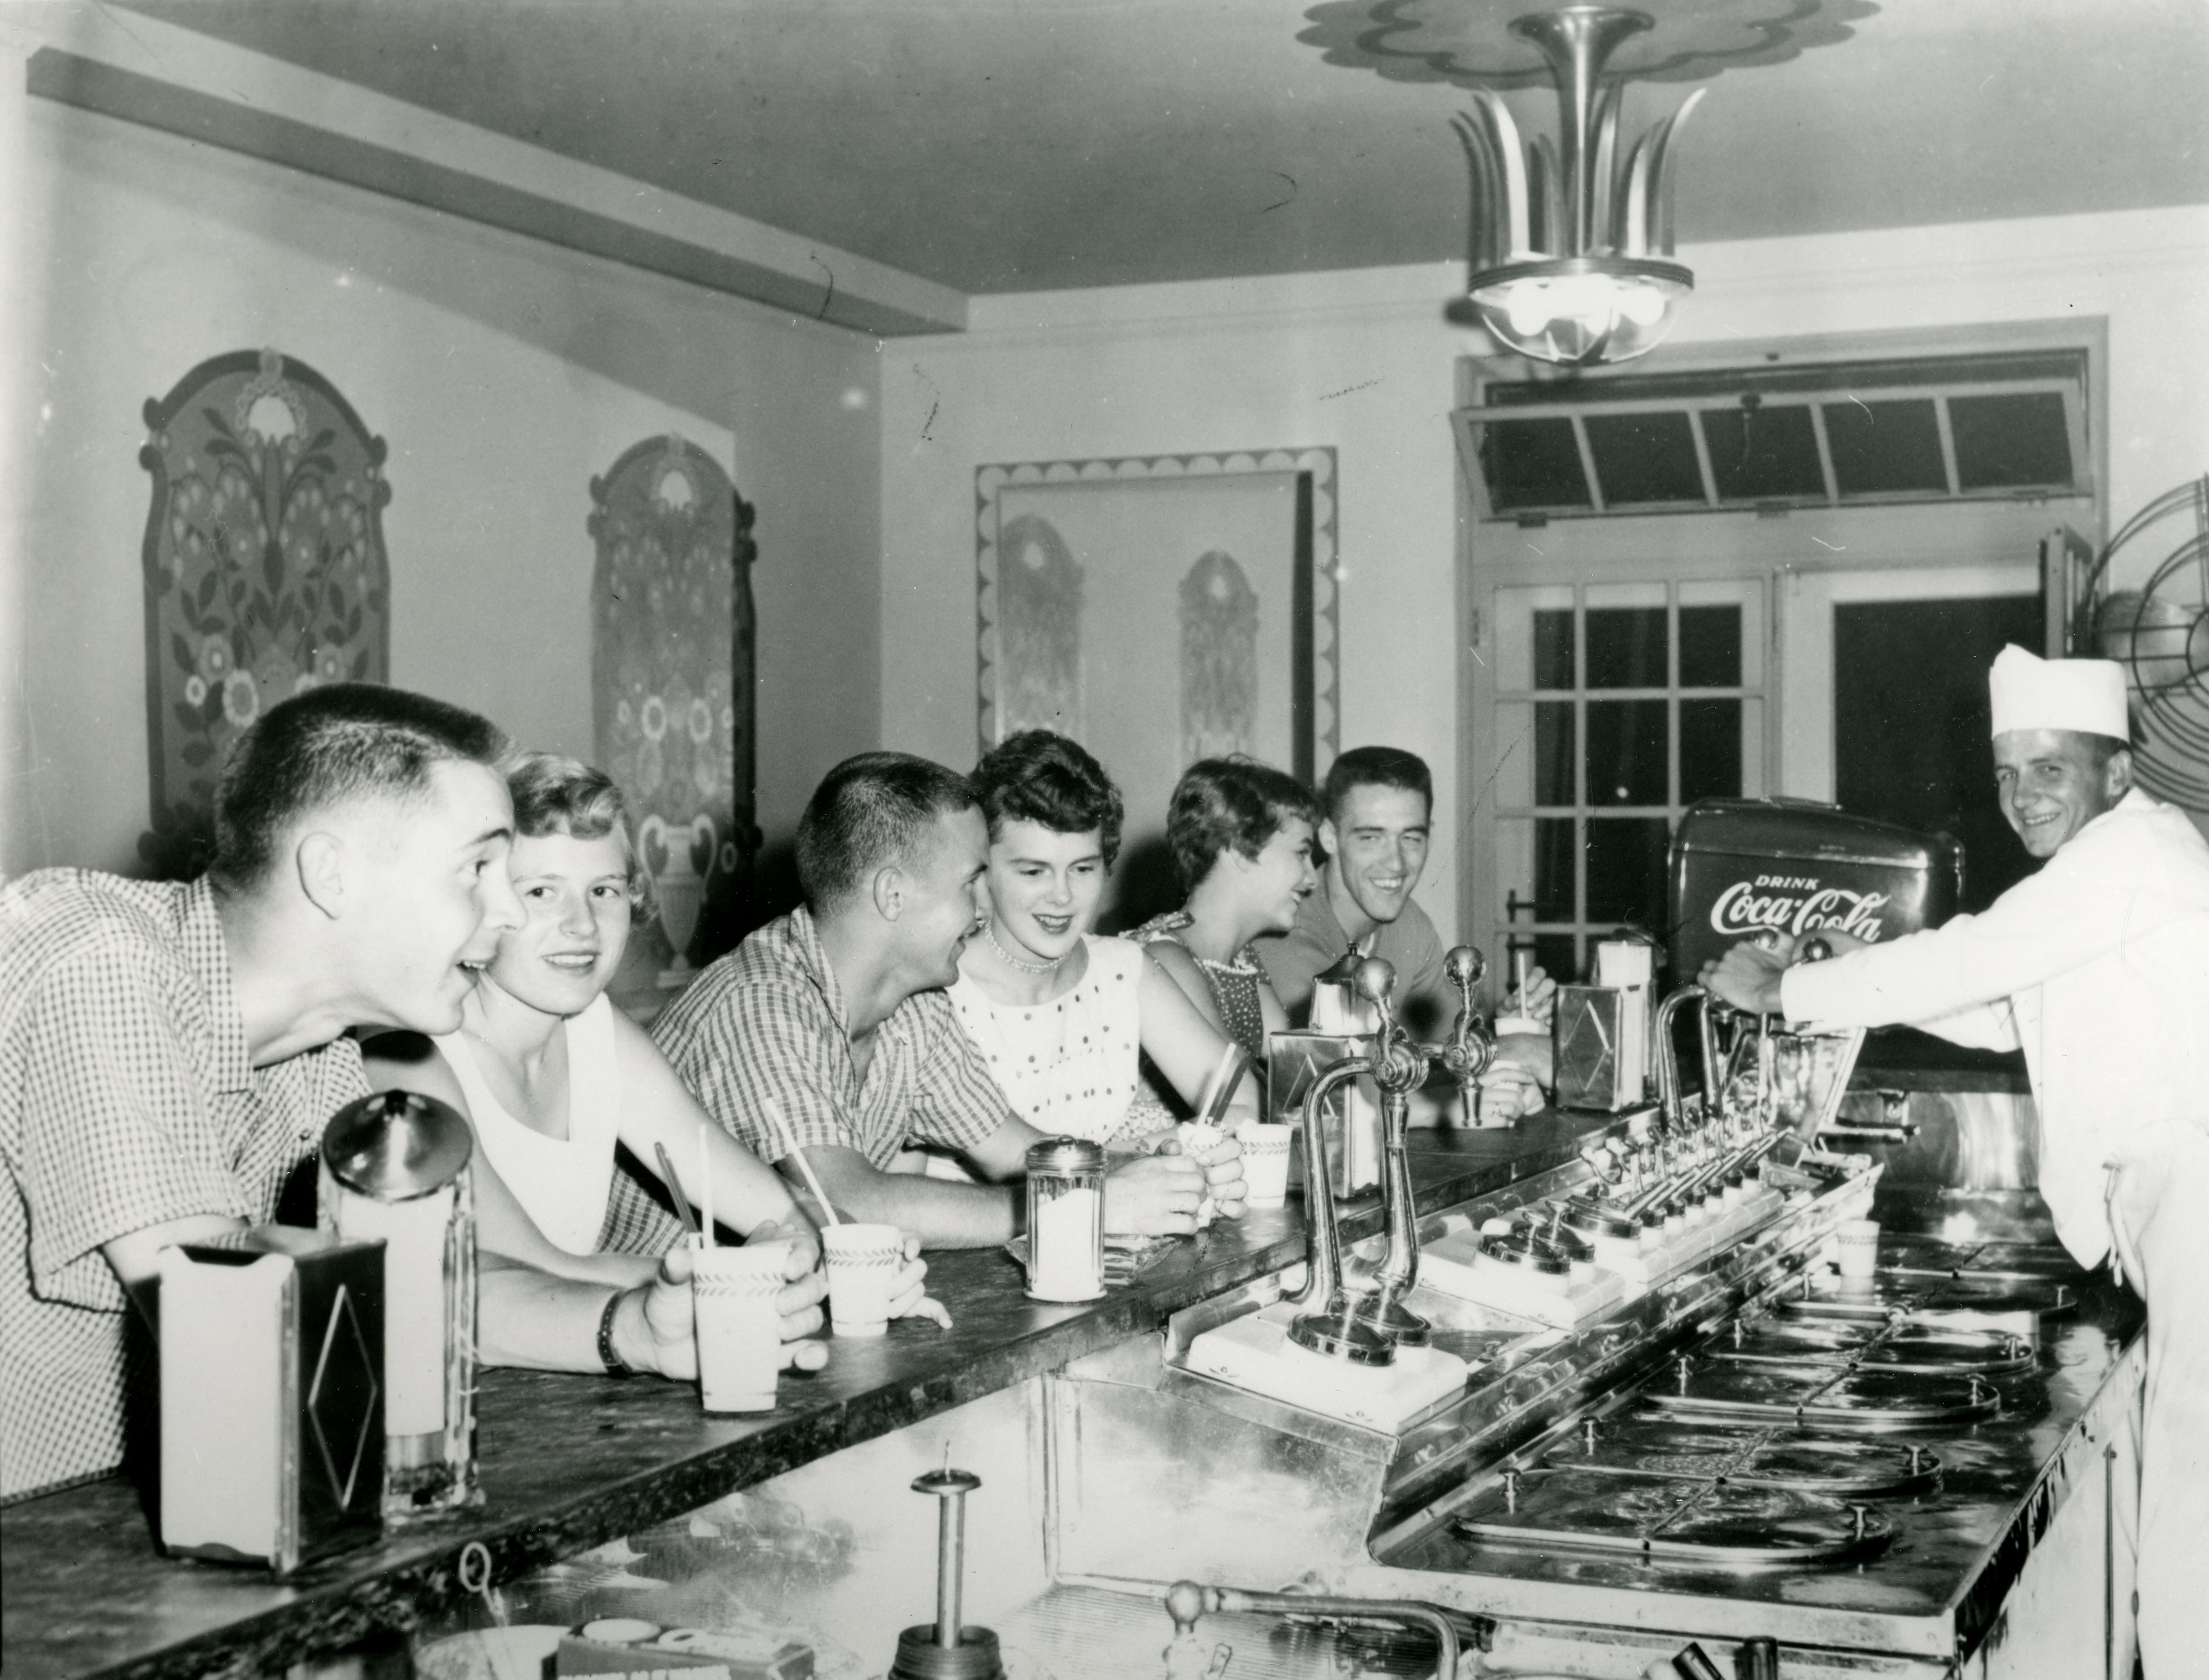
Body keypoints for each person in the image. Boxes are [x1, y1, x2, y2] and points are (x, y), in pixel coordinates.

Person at [0, 685, 764, 1503]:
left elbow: (421, 1292)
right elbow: (231, 1313)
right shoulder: (97, 959)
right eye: (478, 867)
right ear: (333, 874)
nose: (505, 912)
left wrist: (633, 1328)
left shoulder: (321, 1054)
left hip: (138, 1539)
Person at [1699, 644, 2209, 1679]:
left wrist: (1781, 992)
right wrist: (1852, 972)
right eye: (2007, 773)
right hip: (2172, 1218)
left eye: (2049, 769)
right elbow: (2001, 1007)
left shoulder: (2130, 856)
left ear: (2115, 770)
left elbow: (1971, 958)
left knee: (2193, 1547)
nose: (2021, 798)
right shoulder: (2109, 870)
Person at [363, 754, 934, 1344]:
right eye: (541, 891)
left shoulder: (595, 1029)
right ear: (484, 905)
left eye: (604, 890)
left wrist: (828, 1254)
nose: (582, 924)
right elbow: (526, 1267)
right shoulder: (409, 1059)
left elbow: (781, 1209)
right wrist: (743, 1280)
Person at [653, 752, 1239, 1248]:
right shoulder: (763, 1001)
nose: (986, 909)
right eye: (970, 883)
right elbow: (847, 1202)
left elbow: (1013, 1150)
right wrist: (1081, 1204)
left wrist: (1144, 1170)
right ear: (892, 894)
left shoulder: (915, 999)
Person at [951, 730, 1257, 1153]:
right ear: (983, 871)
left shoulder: (1123, 970)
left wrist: (1119, 1169)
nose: (1062, 896)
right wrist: (1111, 1177)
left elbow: (1243, 1104)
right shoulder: (942, 984)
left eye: (1082, 869)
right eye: (1033, 872)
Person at [1255, 745, 1554, 1119]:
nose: (1396, 863)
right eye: (1371, 838)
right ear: (1329, 836)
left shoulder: (1410, 925)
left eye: (1411, 838)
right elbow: (1341, 1101)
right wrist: (1502, 1064)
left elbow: (1450, 1053)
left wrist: (1501, 1030)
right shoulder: (1288, 932)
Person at [1129, 756, 1323, 1068]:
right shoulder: (1163, 957)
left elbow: (1299, 1068)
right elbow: (1239, 1092)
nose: (1312, 879)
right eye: (1302, 853)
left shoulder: (1241, 962)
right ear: (1240, 850)